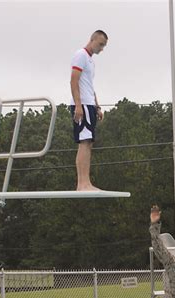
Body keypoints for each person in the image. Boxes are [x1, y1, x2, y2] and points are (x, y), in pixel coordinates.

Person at [70, 30, 108, 191]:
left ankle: (86, 182)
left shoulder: (91, 61)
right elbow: (73, 81)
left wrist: (97, 106)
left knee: (88, 143)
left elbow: (90, 87)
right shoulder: (81, 55)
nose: (102, 49)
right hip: (82, 105)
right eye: (100, 44)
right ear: (92, 40)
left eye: (104, 46)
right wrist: (78, 106)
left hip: (89, 105)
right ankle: (82, 183)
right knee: (84, 142)